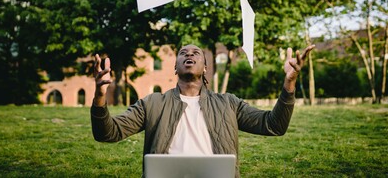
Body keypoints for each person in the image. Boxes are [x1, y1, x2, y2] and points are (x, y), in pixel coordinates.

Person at [91, 44, 315, 177]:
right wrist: (100, 96)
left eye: (196, 53)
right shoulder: (152, 103)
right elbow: (108, 133)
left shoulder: (229, 103)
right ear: (175, 67)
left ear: (205, 68)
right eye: (183, 53)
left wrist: (289, 83)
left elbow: (273, 126)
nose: (189, 54)